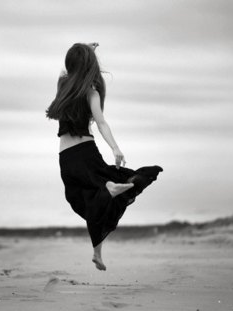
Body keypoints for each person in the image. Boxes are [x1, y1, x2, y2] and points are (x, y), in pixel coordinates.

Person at [46, 42, 163, 271]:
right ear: (89, 66)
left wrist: (86, 53)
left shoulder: (62, 84)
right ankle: (109, 190)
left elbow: (71, 68)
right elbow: (101, 123)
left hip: (66, 159)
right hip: (87, 153)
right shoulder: (91, 92)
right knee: (100, 197)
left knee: (85, 202)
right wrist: (115, 148)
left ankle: (97, 253)